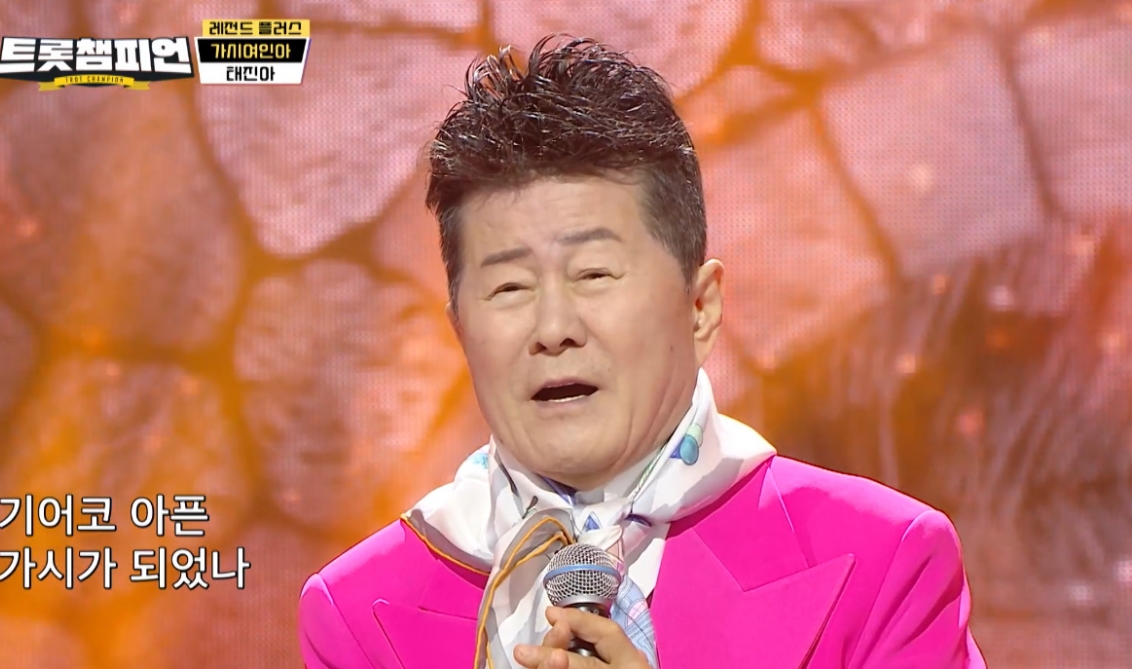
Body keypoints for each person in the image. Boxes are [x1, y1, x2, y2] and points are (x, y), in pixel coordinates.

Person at [297, 35, 987, 669]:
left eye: (594, 274)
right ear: (460, 331)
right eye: (509, 286)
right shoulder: (356, 614)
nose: (553, 327)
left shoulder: (883, 564)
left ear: (700, 307)